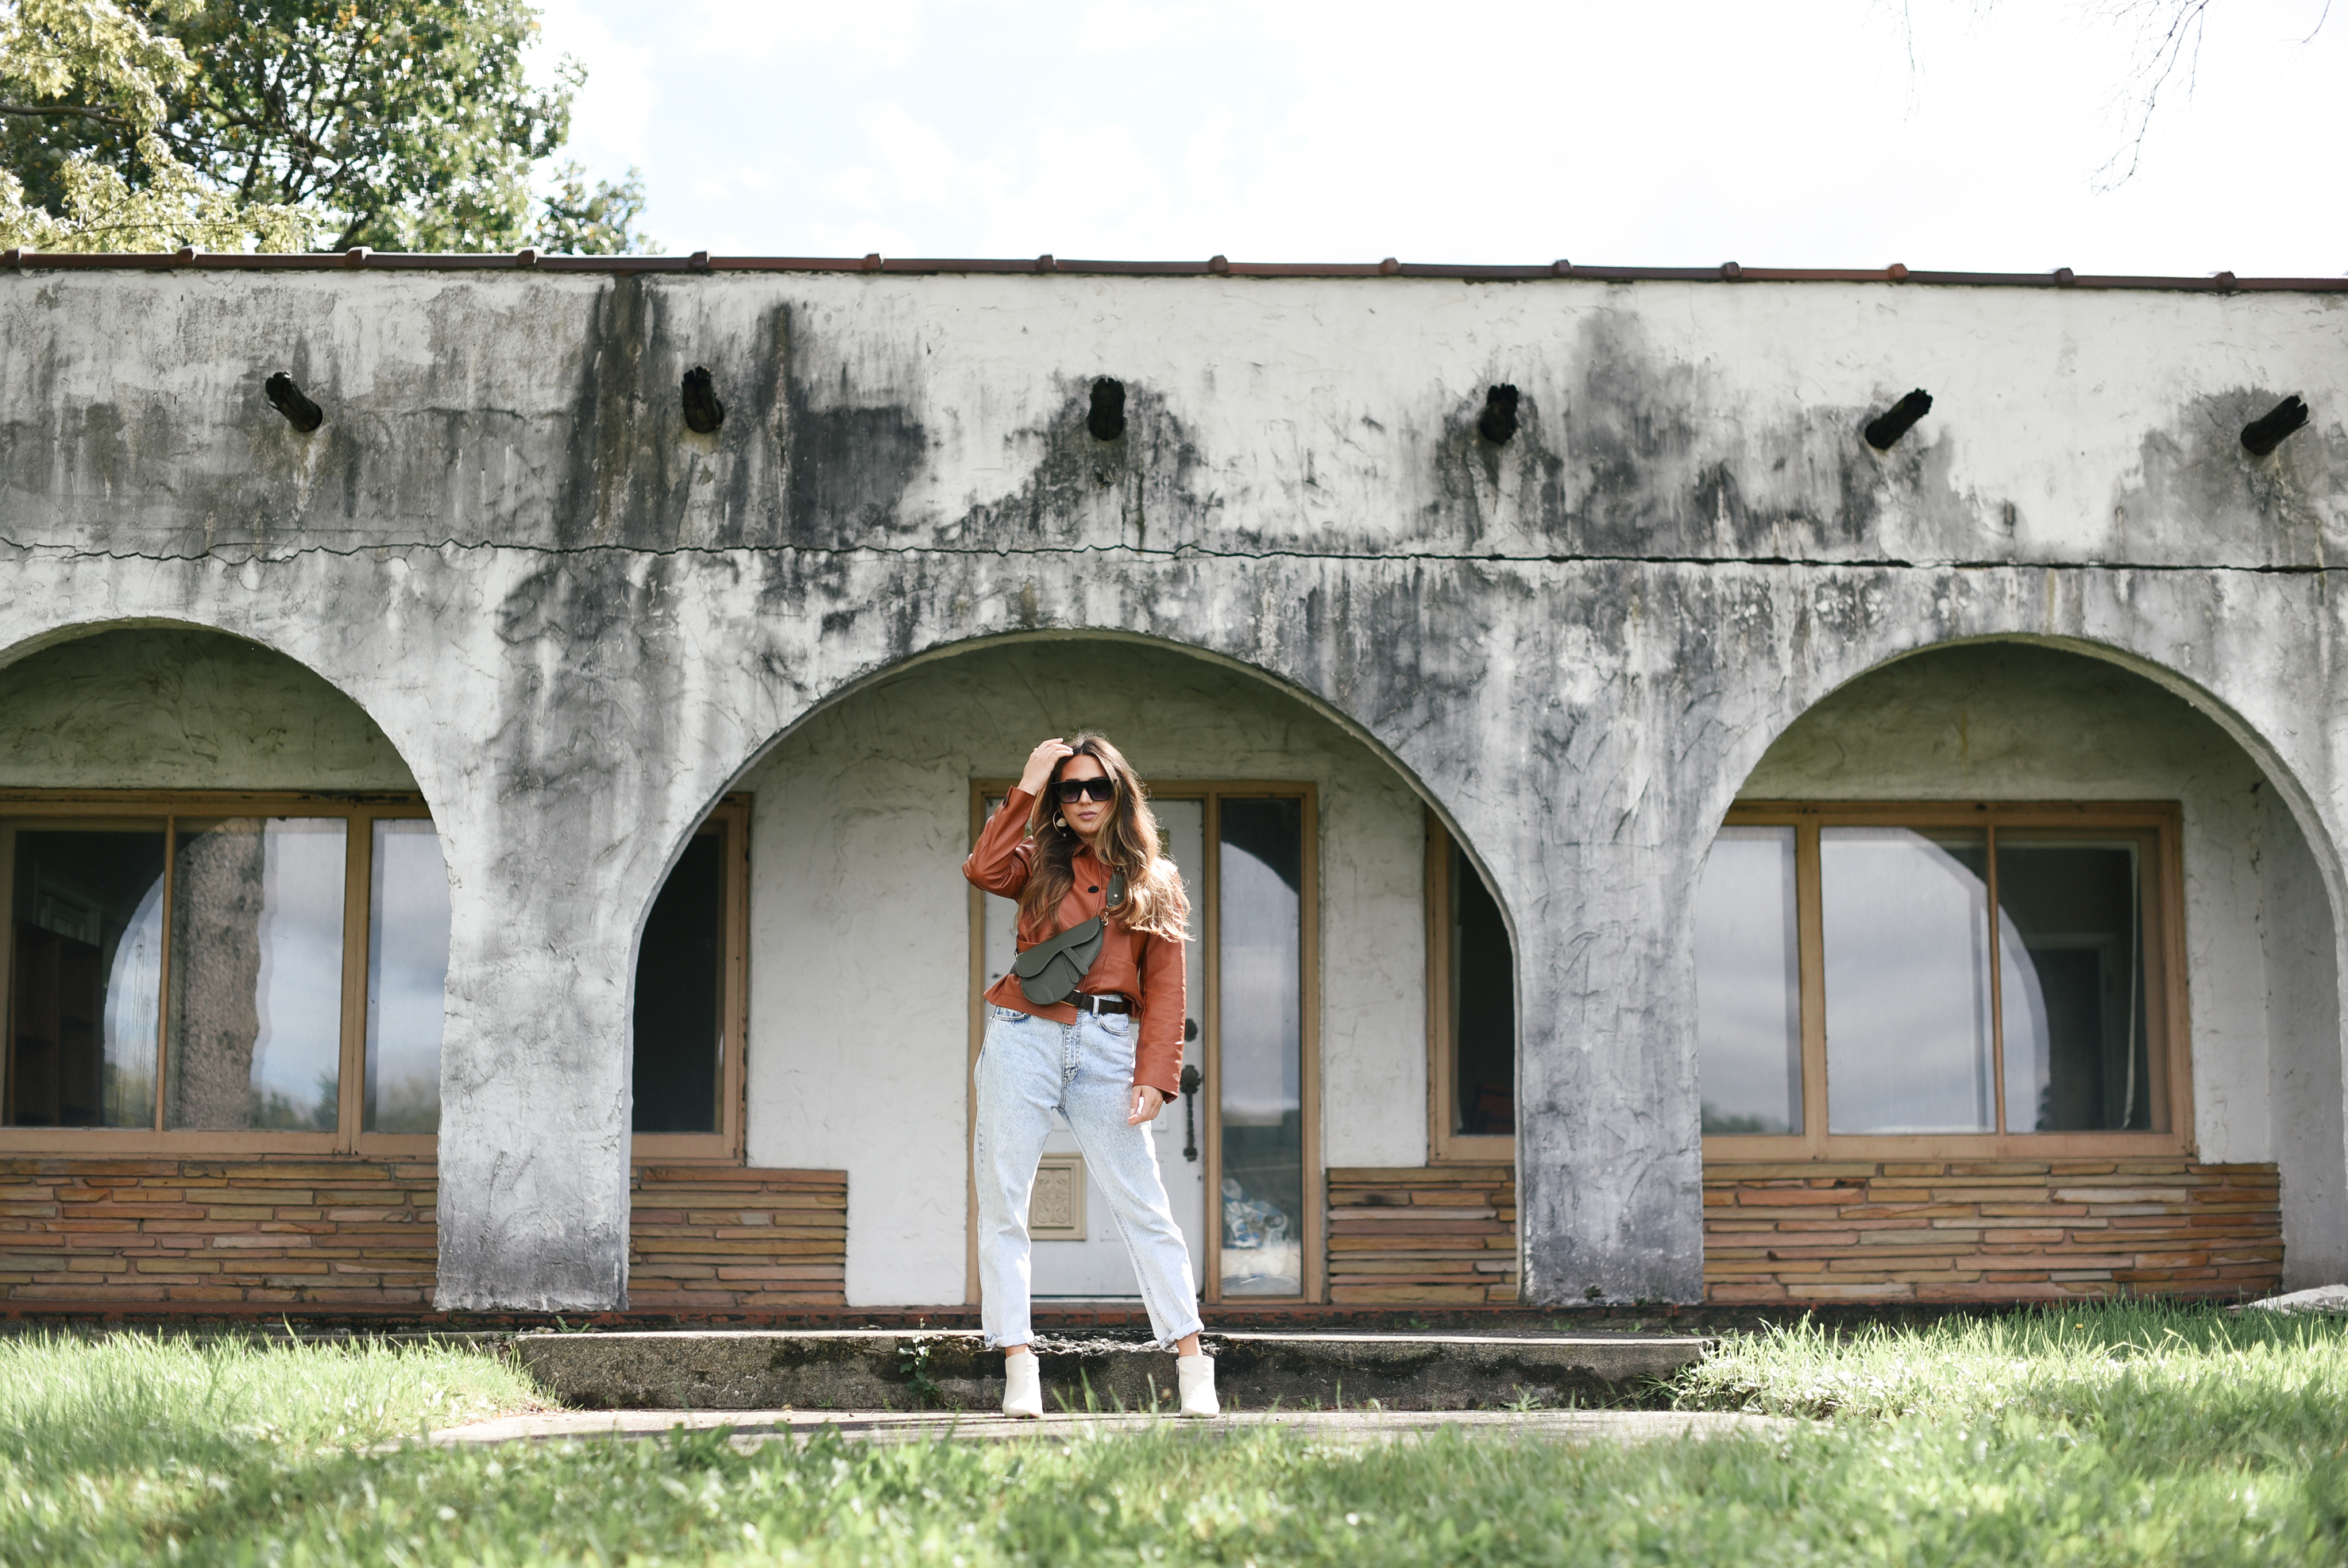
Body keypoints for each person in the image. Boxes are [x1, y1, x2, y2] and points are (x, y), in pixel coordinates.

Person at [963, 732, 1217, 1419]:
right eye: (1067, 787)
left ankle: (1193, 1365)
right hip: (1026, 1036)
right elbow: (982, 868)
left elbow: (1166, 990)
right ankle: (1019, 1363)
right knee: (1004, 1202)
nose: (1081, 799)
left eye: (1095, 787)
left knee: (1145, 1205)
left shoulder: (1154, 880)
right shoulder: (1036, 861)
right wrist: (1028, 777)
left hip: (1110, 1044)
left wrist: (1156, 1073)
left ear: (1118, 795)